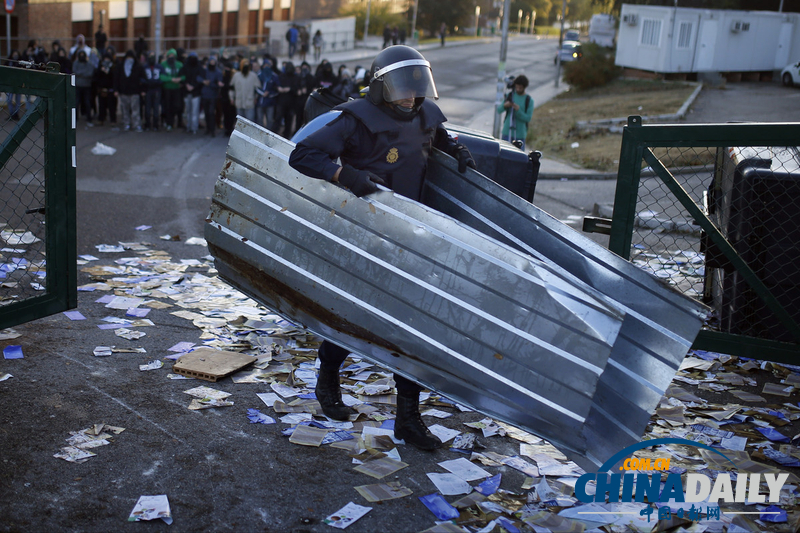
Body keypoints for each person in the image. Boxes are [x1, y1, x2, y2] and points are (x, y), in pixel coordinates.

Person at [288, 45, 476, 451]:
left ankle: (407, 417)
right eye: (403, 88)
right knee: (355, 313)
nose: (411, 96)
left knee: (410, 324)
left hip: (409, 235)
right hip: (365, 234)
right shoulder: (356, 119)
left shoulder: (424, 113)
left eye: (416, 86)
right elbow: (302, 155)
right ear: (380, 87)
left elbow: (438, 134)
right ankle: (328, 376)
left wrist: (455, 148)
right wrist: (344, 173)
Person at [497, 74, 532, 149]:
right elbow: (499, 110)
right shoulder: (510, 95)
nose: (518, 89)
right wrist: (505, 106)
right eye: (517, 87)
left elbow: (528, 118)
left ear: (524, 87)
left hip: (520, 134)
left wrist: (518, 110)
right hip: (507, 132)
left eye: (520, 88)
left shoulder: (528, 100)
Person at [114, 49, 144, 132]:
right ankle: (126, 123)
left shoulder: (138, 66)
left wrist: (142, 90)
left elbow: (143, 79)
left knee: (135, 110)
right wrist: (116, 89)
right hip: (124, 91)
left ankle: (136, 124)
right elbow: (116, 78)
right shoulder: (120, 66)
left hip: (135, 92)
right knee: (125, 109)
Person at [199, 55, 224, 137]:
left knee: (211, 113)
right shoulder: (205, 71)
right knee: (206, 113)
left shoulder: (218, 72)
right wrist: (203, 81)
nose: (212, 63)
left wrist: (210, 84)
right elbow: (198, 77)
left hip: (213, 95)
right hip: (205, 95)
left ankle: (213, 129)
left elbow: (218, 84)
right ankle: (208, 128)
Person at [159, 48, 184, 131]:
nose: (171, 57)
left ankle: (176, 120)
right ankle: (169, 123)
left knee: (177, 105)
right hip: (167, 89)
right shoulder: (163, 64)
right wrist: (171, 79)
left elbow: (185, 75)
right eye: (170, 55)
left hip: (176, 89)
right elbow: (161, 76)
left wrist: (179, 79)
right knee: (167, 106)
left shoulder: (179, 65)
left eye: (173, 55)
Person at [180, 52, 204, 134]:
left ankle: (194, 127)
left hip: (196, 93)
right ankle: (189, 127)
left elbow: (201, 79)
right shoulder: (185, 67)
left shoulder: (199, 67)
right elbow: (182, 77)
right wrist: (186, 85)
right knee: (188, 111)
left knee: (195, 111)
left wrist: (194, 86)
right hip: (186, 92)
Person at [275, 61, 299, 137]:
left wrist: (289, 89)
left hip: (291, 102)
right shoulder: (281, 76)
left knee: (289, 120)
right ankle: (275, 133)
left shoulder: (295, 77)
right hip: (282, 101)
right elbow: (276, 85)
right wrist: (278, 88)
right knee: (278, 119)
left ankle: (286, 135)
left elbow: (296, 89)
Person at [73, 50, 95, 126]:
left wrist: (80, 74)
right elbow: (75, 71)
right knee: (76, 103)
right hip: (78, 86)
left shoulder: (89, 64)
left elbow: (90, 73)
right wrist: (83, 73)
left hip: (87, 86)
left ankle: (89, 118)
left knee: (87, 102)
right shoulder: (76, 63)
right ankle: (75, 119)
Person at [256, 57, 279, 131]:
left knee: (270, 120)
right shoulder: (259, 75)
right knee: (260, 120)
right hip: (261, 101)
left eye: (268, 65)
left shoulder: (274, 76)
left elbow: (277, 89)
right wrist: (262, 93)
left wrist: (269, 94)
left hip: (270, 102)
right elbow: (256, 87)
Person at [94, 52, 117, 126]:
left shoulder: (113, 67)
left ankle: (113, 120)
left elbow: (114, 78)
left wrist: (109, 71)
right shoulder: (100, 67)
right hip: (102, 89)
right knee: (101, 105)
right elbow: (97, 77)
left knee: (111, 106)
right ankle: (101, 119)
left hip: (110, 89)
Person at [142, 54, 162, 131]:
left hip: (156, 90)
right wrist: (147, 83)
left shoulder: (159, 67)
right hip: (148, 90)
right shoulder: (145, 67)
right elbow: (141, 77)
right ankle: (147, 124)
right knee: (147, 108)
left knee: (156, 108)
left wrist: (157, 82)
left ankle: (155, 125)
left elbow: (163, 77)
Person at [5, 50, 22, 120]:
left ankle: (16, 114)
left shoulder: (20, 62)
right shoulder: (9, 62)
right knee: (9, 99)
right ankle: (11, 113)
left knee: (18, 100)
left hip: (18, 83)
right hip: (10, 84)